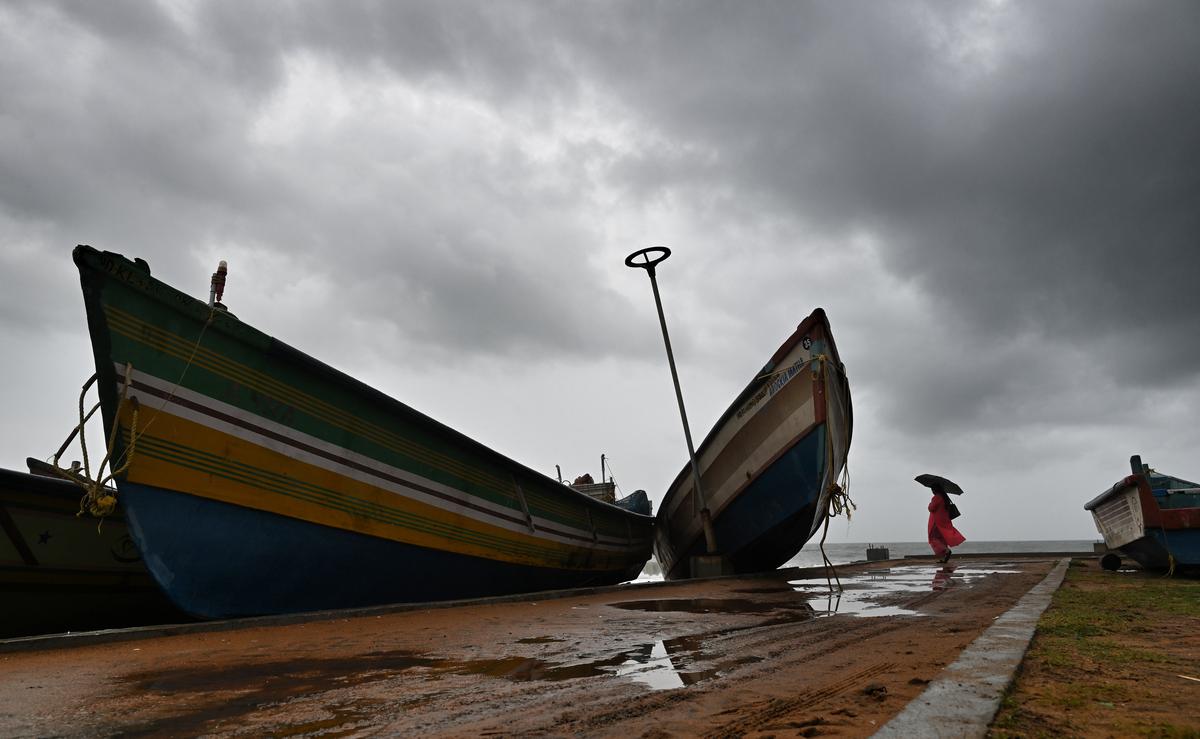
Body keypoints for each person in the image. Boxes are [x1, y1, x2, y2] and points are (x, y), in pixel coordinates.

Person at [927, 487, 965, 563]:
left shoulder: (937, 497)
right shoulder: (945, 497)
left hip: (936, 521)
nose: (932, 491)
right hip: (944, 520)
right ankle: (944, 557)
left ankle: (946, 551)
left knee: (933, 538)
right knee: (941, 538)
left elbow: (931, 508)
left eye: (932, 489)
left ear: (935, 489)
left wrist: (929, 504)